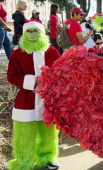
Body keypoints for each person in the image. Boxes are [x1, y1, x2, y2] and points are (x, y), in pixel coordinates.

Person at [7, 21, 60, 170]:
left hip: (48, 100)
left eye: (35, 30)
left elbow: (61, 71)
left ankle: (47, 158)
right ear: (24, 34)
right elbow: (12, 75)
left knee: (48, 132)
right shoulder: (17, 54)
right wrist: (32, 81)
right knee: (24, 136)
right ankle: (24, 163)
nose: (32, 33)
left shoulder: (52, 52)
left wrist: (50, 80)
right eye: (28, 31)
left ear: (42, 33)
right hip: (26, 100)